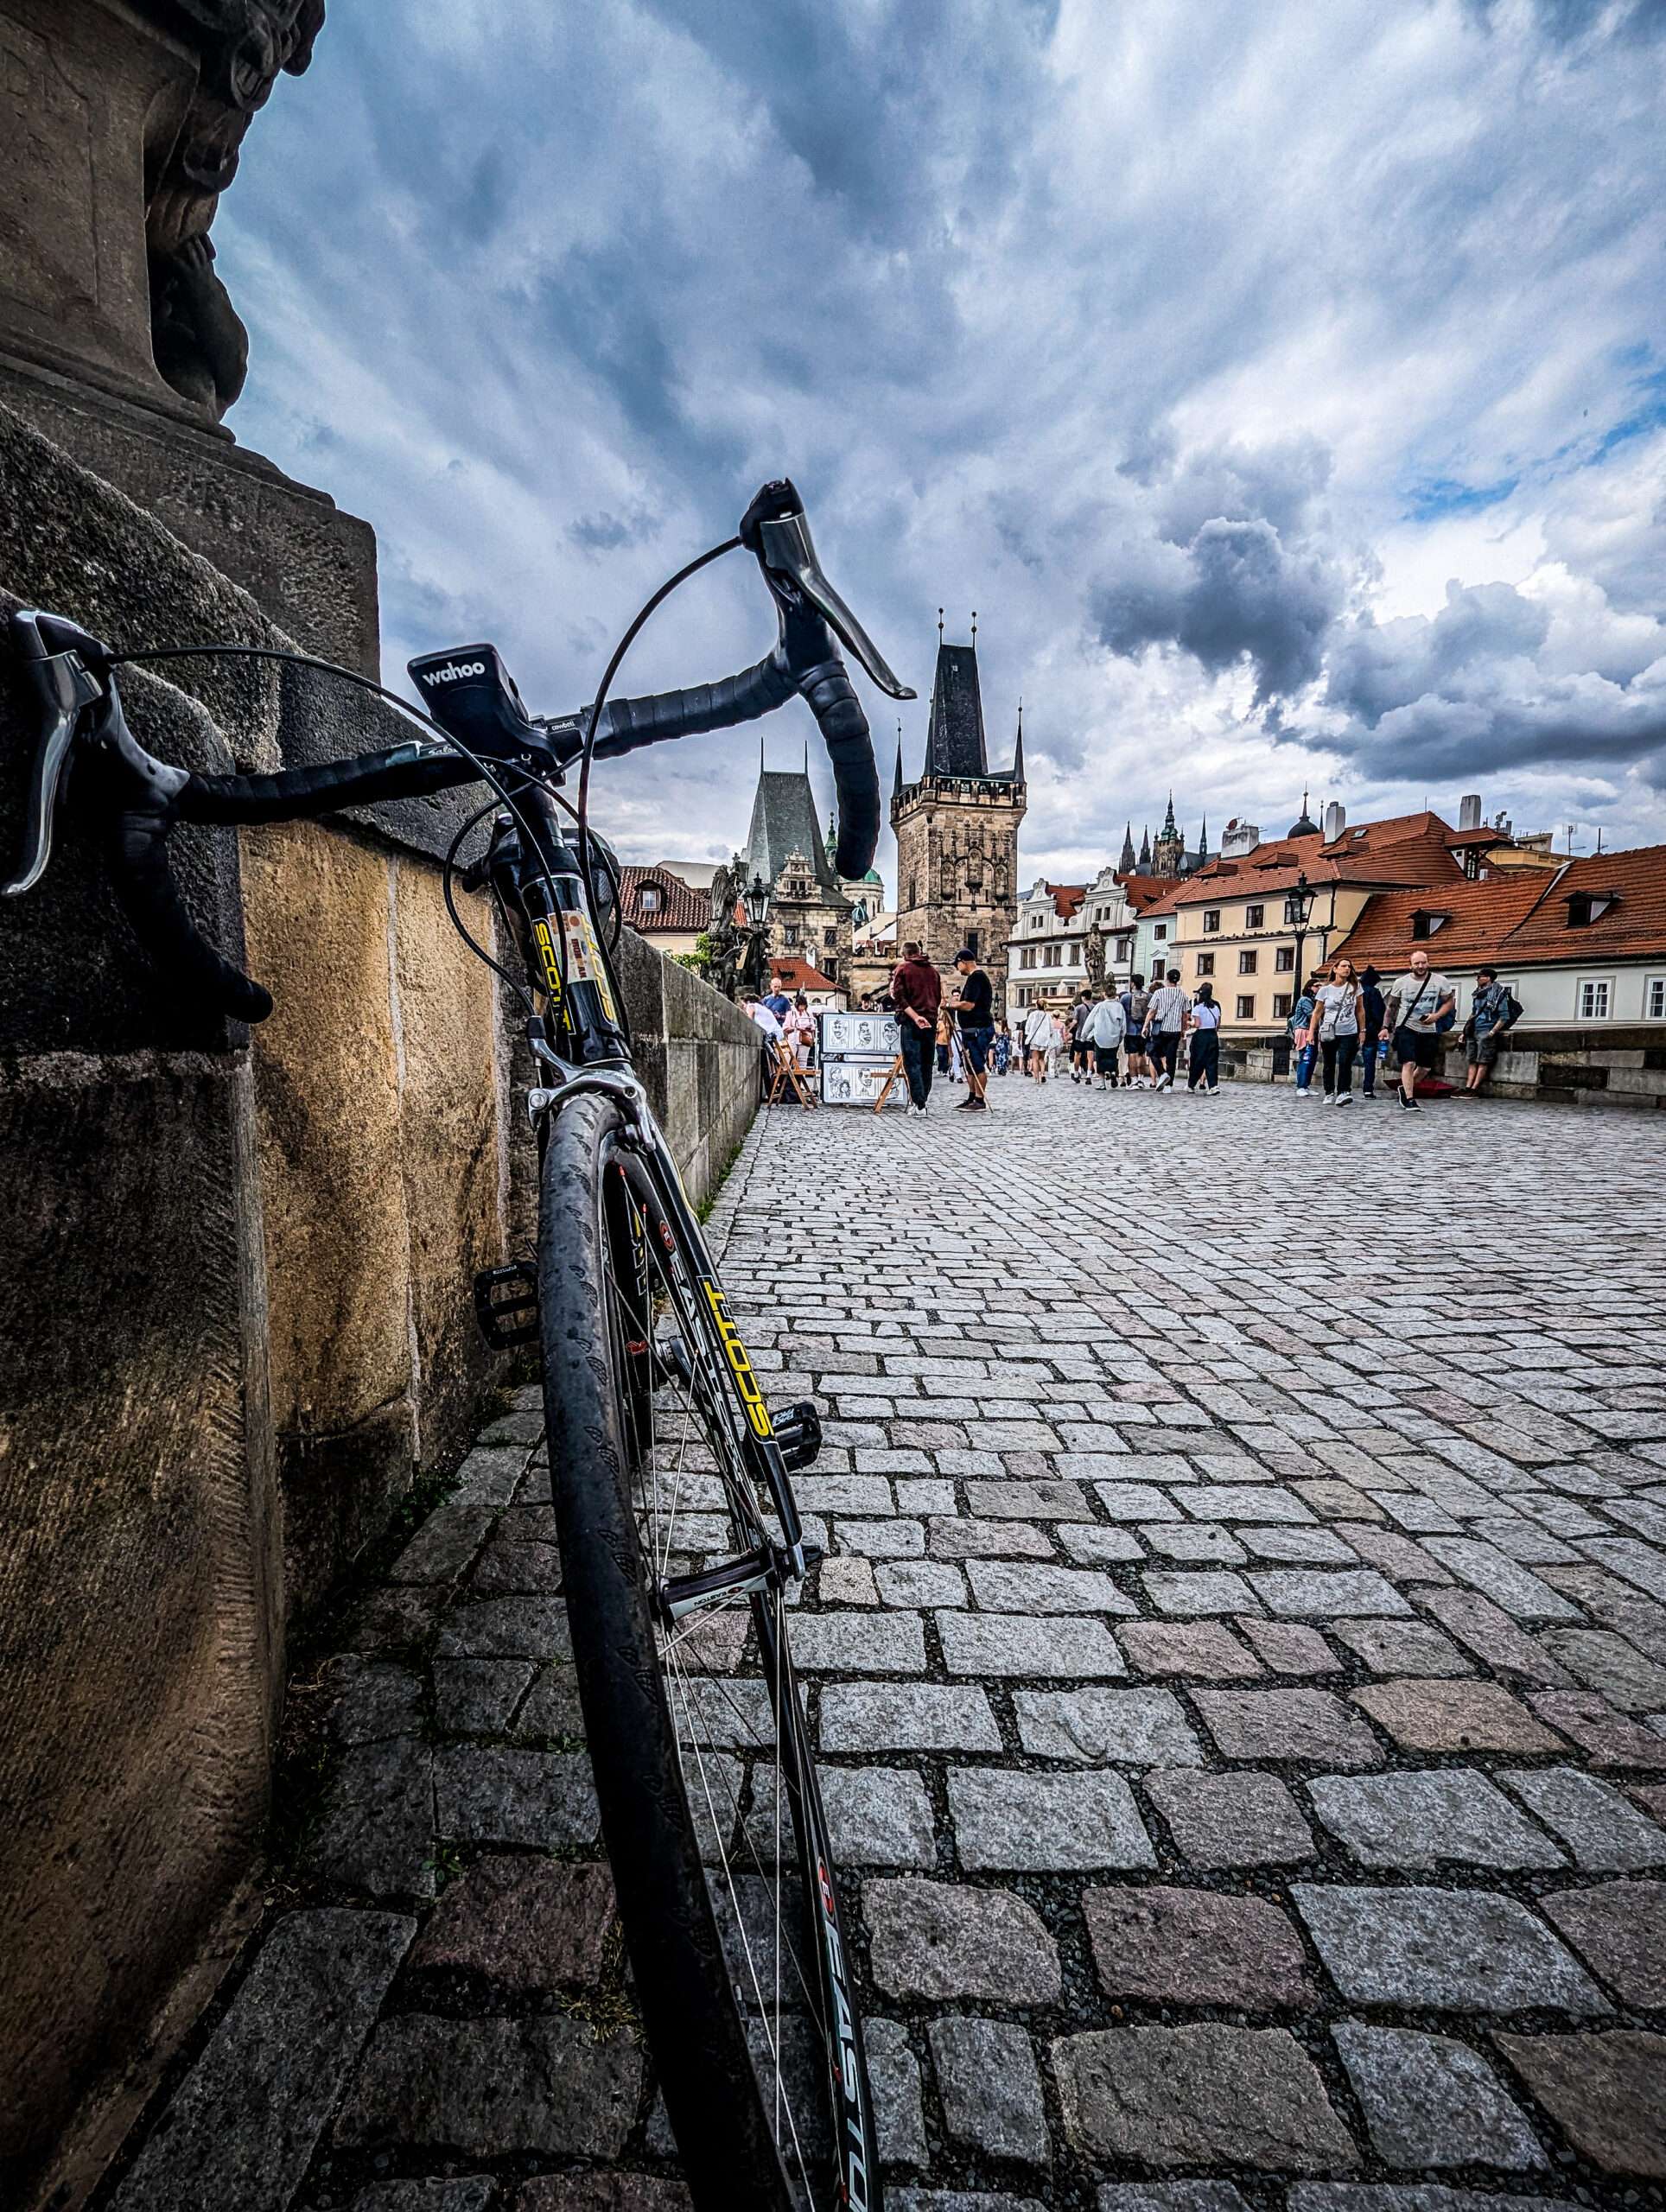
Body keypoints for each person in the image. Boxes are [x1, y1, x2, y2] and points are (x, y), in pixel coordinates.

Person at [1383, 947, 1457, 1112]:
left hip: (1428, 1028)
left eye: (1423, 962)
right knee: (1408, 1062)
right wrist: (1385, 1027)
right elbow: (1391, 1006)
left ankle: (1404, 1088)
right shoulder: (1401, 983)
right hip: (1406, 1026)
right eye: (1417, 963)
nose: (1421, 966)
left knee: (1425, 1067)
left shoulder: (1440, 981)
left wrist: (1436, 1016)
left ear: (1428, 963)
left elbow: (1449, 1002)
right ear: (1410, 965)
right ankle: (1409, 1099)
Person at [889, 940, 942, 1116]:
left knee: (912, 1063)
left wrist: (915, 1016)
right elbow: (938, 997)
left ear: (904, 954)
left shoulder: (903, 969)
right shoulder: (933, 972)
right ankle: (922, 1100)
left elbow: (899, 997)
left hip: (912, 1021)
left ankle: (919, 1103)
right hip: (931, 1020)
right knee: (926, 1063)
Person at [944, 947, 995, 1110]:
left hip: (978, 1028)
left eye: (957, 965)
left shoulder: (977, 978)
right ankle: (972, 1096)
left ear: (963, 962)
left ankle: (979, 1100)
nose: (956, 969)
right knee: (969, 1063)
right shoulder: (974, 978)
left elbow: (969, 1005)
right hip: (971, 1029)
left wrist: (950, 1005)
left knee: (977, 1063)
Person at [1309, 957, 1364, 1105]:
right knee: (1329, 1063)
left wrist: (1362, 1030)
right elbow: (1317, 1012)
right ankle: (1329, 1092)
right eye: (1344, 966)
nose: (1347, 969)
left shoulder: (1355, 987)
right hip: (1329, 1031)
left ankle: (1343, 1092)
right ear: (1335, 969)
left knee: (1345, 1061)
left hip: (1349, 1030)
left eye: (1349, 966)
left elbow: (1360, 1010)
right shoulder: (1325, 990)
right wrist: (1311, 1032)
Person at [1462, 965, 1523, 1094]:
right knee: (1472, 1060)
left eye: (1479, 977)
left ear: (1488, 978)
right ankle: (1467, 1087)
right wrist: (1465, 1030)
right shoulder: (1478, 993)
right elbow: (1474, 1013)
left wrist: (1493, 1031)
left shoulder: (1499, 994)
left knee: (1483, 1060)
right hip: (1474, 1029)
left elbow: (1504, 1016)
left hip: (1486, 1029)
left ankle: (1474, 1089)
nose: (1477, 979)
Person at [1145, 969, 1188, 1091]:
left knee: (1153, 1053)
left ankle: (1162, 1073)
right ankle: (1169, 1086)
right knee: (1171, 1058)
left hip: (1161, 1029)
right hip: (1175, 1030)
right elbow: (1185, 1015)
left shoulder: (1159, 993)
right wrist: (1183, 1029)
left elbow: (1152, 1011)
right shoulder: (1183, 994)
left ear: (1167, 979)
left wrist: (1145, 1026)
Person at [1080, 985, 1128, 1089]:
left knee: (1100, 1059)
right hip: (1114, 1037)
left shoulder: (1100, 1006)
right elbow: (1123, 1024)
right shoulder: (1119, 1007)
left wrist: (1083, 1036)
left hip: (1100, 1037)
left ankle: (1102, 1084)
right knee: (1112, 1057)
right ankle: (1114, 1073)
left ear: (1104, 994)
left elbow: (1090, 1022)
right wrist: (1122, 1035)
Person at [1186, 981, 1223, 1093]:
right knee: (1212, 1061)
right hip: (1213, 1035)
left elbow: (1197, 1024)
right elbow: (1218, 1025)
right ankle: (1213, 1086)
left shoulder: (1198, 1008)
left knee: (1197, 1061)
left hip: (1201, 1035)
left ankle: (1191, 1085)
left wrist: (1188, 1023)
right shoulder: (1216, 1007)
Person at [1288, 975, 1319, 1098]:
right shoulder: (1305, 1000)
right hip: (1305, 1031)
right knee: (1305, 1059)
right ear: (1310, 987)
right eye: (1317, 986)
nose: (1319, 988)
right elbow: (1313, 1015)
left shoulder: (1313, 1000)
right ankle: (1301, 1086)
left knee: (1311, 1060)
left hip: (1311, 1032)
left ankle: (1305, 1085)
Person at [1358, 964, 1387, 1099]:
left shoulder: (1355, 991)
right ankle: (1368, 1089)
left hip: (1353, 1029)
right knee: (1369, 1060)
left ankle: (1343, 1089)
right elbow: (1378, 1012)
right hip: (1370, 1030)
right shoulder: (1374, 992)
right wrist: (1382, 1027)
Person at [1120, 975, 1152, 1088]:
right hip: (1144, 1030)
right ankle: (1141, 1080)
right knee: (1142, 1055)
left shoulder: (1126, 998)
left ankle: (1133, 1081)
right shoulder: (1149, 996)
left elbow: (1122, 1014)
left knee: (1131, 1056)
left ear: (1132, 983)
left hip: (1130, 1030)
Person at [1021, 1001, 1053, 1080]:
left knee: (1035, 1059)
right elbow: (1051, 1029)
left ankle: (1037, 1079)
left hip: (1035, 1039)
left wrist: (1029, 1034)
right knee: (1042, 1059)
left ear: (1037, 1006)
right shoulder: (1047, 1016)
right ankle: (1042, 1074)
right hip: (1044, 1039)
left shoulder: (1033, 1015)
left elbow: (1027, 1027)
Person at [1068, 993, 1095, 1083]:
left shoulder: (1079, 1008)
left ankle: (1076, 1074)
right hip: (1091, 1035)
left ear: (1083, 997)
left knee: (1077, 1055)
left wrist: (1069, 1028)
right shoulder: (1095, 1007)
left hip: (1080, 1035)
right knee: (1090, 1055)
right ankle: (1088, 1075)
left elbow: (1075, 1021)